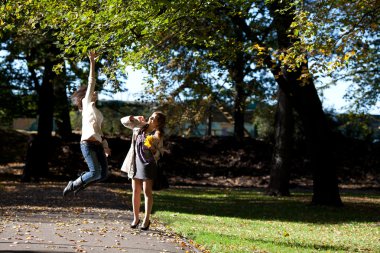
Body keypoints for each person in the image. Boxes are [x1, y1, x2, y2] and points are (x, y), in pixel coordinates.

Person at [63, 51, 111, 197]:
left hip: (97, 144)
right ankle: (74, 184)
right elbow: (92, 81)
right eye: (92, 91)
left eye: (95, 91)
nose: (95, 92)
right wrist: (92, 62)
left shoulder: (97, 111)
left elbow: (100, 132)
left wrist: (106, 147)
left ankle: (82, 184)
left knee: (103, 175)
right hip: (87, 144)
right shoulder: (86, 104)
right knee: (95, 172)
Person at [120, 111, 166, 230]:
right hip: (135, 162)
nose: (151, 117)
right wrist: (133, 117)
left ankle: (146, 219)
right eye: (151, 115)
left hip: (148, 164)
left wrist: (153, 150)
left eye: (154, 118)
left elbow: (161, 153)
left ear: (157, 123)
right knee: (135, 191)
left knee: (147, 191)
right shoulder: (139, 126)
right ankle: (135, 218)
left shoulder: (158, 135)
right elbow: (123, 121)